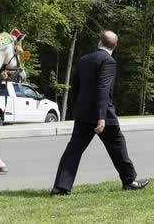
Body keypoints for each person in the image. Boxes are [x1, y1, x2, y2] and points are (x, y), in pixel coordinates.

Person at [51, 31, 148, 196]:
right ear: (115, 46)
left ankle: (60, 188)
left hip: (83, 114)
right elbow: (103, 89)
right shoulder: (108, 61)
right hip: (103, 115)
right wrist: (101, 117)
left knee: (73, 150)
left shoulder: (84, 59)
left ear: (99, 42)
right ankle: (129, 181)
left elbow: (75, 88)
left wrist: (77, 110)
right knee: (118, 146)